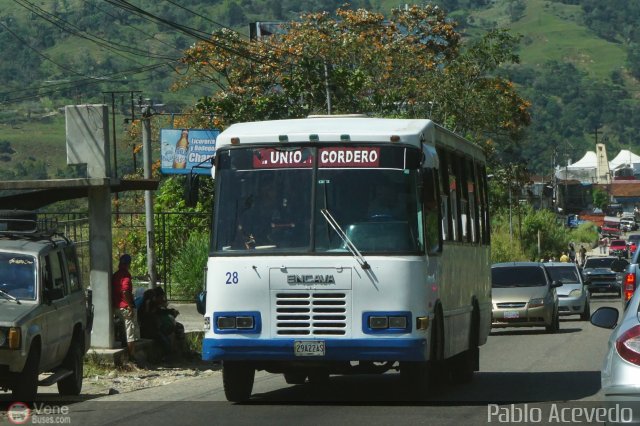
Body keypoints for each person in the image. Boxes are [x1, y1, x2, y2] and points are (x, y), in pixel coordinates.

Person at [112, 254, 140, 362]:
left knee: (123, 331)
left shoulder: (115, 275)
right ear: (128, 264)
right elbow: (125, 291)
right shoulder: (126, 276)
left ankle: (127, 353)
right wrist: (130, 305)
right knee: (130, 332)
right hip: (125, 307)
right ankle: (131, 357)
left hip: (116, 306)